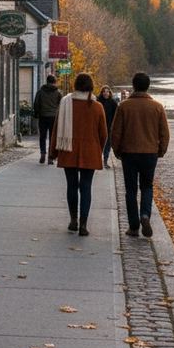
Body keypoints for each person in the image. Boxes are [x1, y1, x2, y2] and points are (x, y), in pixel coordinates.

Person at [111, 72, 170, 238]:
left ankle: (134, 226)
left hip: (129, 153)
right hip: (150, 152)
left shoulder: (124, 106)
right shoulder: (157, 107)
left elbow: (116, 131)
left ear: (134, 85)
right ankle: (145, 214)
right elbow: (164, 133)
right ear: (148, 86)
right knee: (147, 186)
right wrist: (161, 150)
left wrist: (116, 150)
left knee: (130, 190)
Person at [51, 72, 107, 237]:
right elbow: (103, 133)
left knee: (71, 186)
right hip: (90, 151)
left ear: (76, 85)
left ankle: (73, 220)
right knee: (86, 187)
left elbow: (56, 129)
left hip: (68, 150)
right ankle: (84, 224)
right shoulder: (97, 107)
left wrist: (53, 152)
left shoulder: (65, 103)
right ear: (91, 87)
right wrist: (99, 149)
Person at [32, 74, 62, 164]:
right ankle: (50, 157)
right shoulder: (58, 93)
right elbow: (61, 104)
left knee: (42, 136)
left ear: (47, 81)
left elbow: (36, 104)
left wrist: (37, 113)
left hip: (43, 116)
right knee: (52, 137)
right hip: (54, 117)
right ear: (54, 82)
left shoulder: (40, 91)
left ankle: (42, 154)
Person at [97, 85, 117, 168]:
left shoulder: (113, 102)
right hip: (98, 127)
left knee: (108, 145)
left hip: (109, 127)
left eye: (107, 92)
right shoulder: (98, 101)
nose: (106, 93)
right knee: (98, 144)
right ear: (102, 93)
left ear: (110, 93)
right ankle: (97, 160)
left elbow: (116, 115)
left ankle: (105, 161)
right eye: (104, 91)